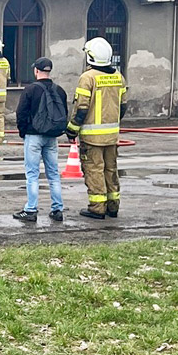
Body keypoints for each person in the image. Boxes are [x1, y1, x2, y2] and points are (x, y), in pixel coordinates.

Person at [67, 37, 128, 220]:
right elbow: (123, 106)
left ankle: (97, 208)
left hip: (92, 138)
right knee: (111, 170)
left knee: (94, 171)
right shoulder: (118, 77)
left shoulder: (87, 78)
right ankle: (113, 206)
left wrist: (72, 129)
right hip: (111, 136)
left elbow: (81, 108)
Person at [13, 57, 67, 223]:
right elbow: (64, 113)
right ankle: (57, 209)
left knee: (32, 174)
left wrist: (23, 132)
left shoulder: (30, 90)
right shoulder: (60, 90)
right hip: (52, 137)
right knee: (53, 174)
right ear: (49, 71)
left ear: (36, 70)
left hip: (33, 136)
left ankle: (31, 210)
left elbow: (21, 113)